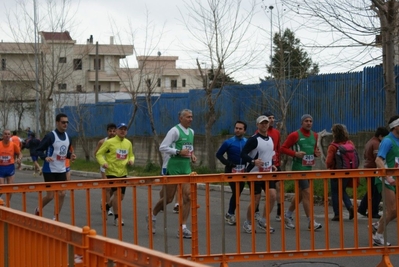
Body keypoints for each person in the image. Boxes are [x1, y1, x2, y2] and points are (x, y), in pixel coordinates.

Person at [148, 109, 197, 238]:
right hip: (172, 168)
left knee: (188, 197)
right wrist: (178, 152)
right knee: (168, 199)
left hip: (186, 169)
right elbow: (162, 147)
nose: (190, 119)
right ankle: (153, 215)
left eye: (191, 117)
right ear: (180, 118)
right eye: (188, 117)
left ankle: (183, 227)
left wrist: (192, 155)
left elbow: (189, 148)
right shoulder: (174, 131)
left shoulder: (191, 132)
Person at [280, 114, 322, 230]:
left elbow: (313, 150)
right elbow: (282, 148)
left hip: (308, 168)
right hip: (298, 169)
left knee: (300, 195)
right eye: (306, 121)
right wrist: (295, 154)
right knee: (307, 193)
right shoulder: (295, 135)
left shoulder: (315, 135)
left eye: (310, 121)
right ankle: (310, 221)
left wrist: (315, 154)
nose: (309, 123)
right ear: (302, 123)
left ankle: (287, 215)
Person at [34, 113, 76, 219]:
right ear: (57, 123)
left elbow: (64, 153)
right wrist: (45, 157)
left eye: (67, 122)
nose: (65, 124)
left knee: (62, 194)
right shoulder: (50, 136)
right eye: (63, 122)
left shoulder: (68, 137)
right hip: (50, 170)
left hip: (61, 170)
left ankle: (55, 217)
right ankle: (38, 208)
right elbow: (38, 150)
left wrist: (71, 156)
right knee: (50, 196)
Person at [96, 122, 135, 226]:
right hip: (111, 172)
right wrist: (103, 163)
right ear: (117, 131)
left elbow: (131, 155)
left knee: (120, 197)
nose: (123, 131)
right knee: (117, 195)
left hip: (123, 173)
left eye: (125, 129)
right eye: (121, 129)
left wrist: (131, 160)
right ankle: (117, 218)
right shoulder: (109, 142)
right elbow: (99, 154)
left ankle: (107, 206)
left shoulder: (128, 143)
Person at [372, 115, 399, 246]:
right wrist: (387, 176)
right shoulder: (388, 141)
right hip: (385, 180)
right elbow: (378, 159)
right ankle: (378, 236)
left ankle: (379, 224)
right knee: (393, 209)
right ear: (395, 126)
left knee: (395, 210)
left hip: (395, 179)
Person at [216, 120, 248, 226]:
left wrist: (249, 166)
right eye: (236, 128)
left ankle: (230, 213)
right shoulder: (228, 142)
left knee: (238, 193)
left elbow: (252, 155)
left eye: (240, 129)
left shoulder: (247, 142)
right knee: (236, 191)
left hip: (243, 171)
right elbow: (219, 155)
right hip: (231, 171)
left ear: (244, 130)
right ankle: (230, 214)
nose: (237, 130)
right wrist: (228, 163)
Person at [325, 124, 356, 221]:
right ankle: (349, 206)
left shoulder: (333, 146)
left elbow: (329, 162)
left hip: (335, 172)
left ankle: (337, 214)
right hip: (348, 171)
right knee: (341, 190)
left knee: (335, 192)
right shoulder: (350, 143)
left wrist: (329, 166)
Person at [358, 127, 389, 219]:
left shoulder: (370, 142)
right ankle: (373, 212)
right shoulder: (376, 144)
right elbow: (378, 158)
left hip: (367, 169)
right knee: (377, 192)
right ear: (380, 136)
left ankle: (362, 209)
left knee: (371, 191)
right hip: (374, 170)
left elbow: (364, 155)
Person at [94, 123, 117, 216]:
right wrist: (102, 162)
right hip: (104, 168)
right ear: (107, 132)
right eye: (110, 131)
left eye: (114, 131)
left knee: (112, 189)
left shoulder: (118, 142)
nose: (112, 133)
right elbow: (96, 153)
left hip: (115, 169)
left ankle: (103, 200)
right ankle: (109, 208)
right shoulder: (102, 142)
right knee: (107, 188)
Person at [263, 111, 282, 221]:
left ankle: (279, 213)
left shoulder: (276, 132)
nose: (272, 120)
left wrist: (278, 161)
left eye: (273, 118)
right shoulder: (259, 132)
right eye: (269, 118)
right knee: (266, 191)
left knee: (279, 188)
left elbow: (278, 148)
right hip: (264, 166)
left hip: (276, 165)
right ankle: (256, 211)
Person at [0, 129, 22, 200]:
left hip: (10, 167)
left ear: (10, 135)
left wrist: (19, 159)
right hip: (1, 168)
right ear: (3, 135)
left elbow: (20, 153)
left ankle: (8, 205)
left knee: (10, 188)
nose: (7, 135)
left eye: (8, 134)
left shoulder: (13, 145)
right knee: (2, 188)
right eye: (5, 134)